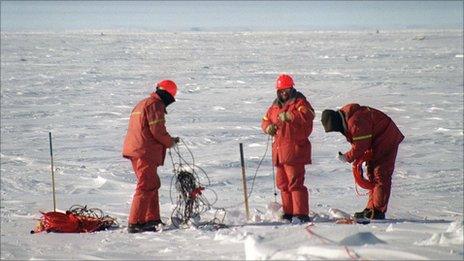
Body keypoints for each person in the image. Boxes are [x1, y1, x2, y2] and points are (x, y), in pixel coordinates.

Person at [321, 104, 404, 220]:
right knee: (371, 175)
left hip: (386, 139)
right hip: (376, 141)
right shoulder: (347, 118)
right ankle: (371, 208)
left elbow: (360, 146)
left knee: (380, 175)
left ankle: (378, 211)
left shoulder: (355, 121)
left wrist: (347, 157)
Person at [122, 79, 180, 233]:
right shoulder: (155, 105)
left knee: (152, 183)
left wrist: (168, 140)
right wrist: (170, 142)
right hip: (144, 152)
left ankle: (151, 219)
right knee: (146, 185)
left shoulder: (142, 103)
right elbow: (157, 131)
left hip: (137, 149)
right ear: (168, 94)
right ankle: (135, 222)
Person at [261, 74, 315, 223]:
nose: (284, 92)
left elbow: (309, 114)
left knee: (295, 183)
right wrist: (268, 128)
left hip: (295, 151)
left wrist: (291, 116)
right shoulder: (274, 106)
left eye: (286, 89)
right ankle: (289, 212)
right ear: (277, 91)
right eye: (281, 90)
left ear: (291, 88)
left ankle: (301, 214)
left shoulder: (299, 101)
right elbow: (265, 120)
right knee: (283, 184)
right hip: (279, 153)